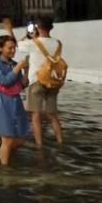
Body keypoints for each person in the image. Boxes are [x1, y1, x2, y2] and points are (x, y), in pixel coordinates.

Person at [17, 17, 64, 147]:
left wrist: (28, 34)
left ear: (37, 27)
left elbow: (19, 45)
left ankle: (39, 145)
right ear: (51, 27)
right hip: (53, 81)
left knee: (35, 116)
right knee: (53, 115)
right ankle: (61, 141)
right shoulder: (58, 43)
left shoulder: (33, 42)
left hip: (37, 82)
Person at [0, 25, 30, 166]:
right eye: (9, 48)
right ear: (0, 48)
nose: (13, 50)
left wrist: (26, 71)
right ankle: (5, 170)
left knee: (20, 139)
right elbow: (5, 81)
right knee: (7, 139)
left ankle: (3, 155)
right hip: (1, 105)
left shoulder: (14, 64)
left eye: (14, 48)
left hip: (15, 103)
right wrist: (18, 68)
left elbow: (23, 85)